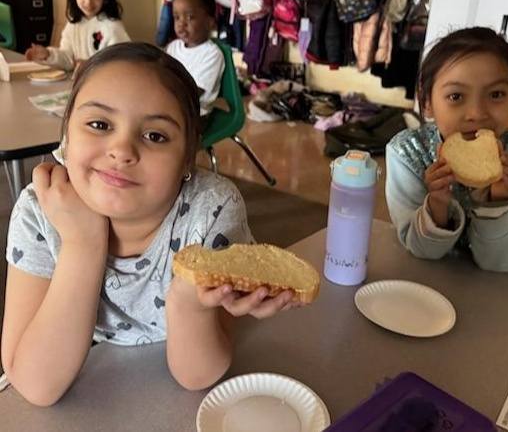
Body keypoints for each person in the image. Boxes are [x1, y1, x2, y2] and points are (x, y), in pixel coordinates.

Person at [2, 43, 297, 407]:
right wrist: (82, 243)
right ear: (66, 135)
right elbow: (36, 385)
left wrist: (191, 299)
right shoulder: (40, 211)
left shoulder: (210, 210)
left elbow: (197, 377)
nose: (122, 149)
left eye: (155, 136)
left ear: (188, 158)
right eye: (99, 124)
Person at [385, 27, 508, 272]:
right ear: (427, 102)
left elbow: (506, 265)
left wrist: (499, 203)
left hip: (496, 292)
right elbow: (421, 252)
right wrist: (437, 205)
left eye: (496, 94)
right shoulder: (407, 153)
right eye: (455, 96)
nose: (476, 114)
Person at [24, 0, 130, 72]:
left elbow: (121, 64)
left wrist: (89, 65)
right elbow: (68, 59)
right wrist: (48, 54)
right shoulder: (73, 24)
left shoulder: (112, 27)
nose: (88, 2)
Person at [166, 0, 224, 117]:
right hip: (170, 105)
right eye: (176, 17)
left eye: (190, 17)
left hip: (195, 114)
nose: (181, 24)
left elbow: (194, 92)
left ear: (210, 22)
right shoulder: (173, 47)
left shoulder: (212, 54)